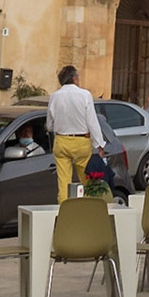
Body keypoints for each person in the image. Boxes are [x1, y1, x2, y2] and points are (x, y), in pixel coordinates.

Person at [47, 64, 107, 203]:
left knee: (63, 183)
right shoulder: (85, 95)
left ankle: (63, 211)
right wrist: (99, 144)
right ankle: (89, 209)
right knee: (88, 181)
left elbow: (49, 125)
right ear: (74, 78)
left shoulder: (54, 96)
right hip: (81, 141)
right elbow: (92, 121)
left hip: (62, 141)